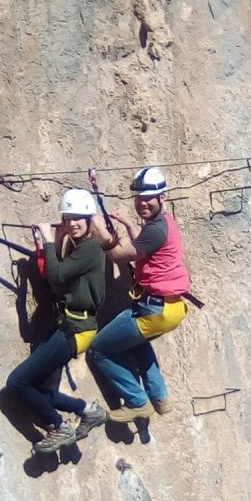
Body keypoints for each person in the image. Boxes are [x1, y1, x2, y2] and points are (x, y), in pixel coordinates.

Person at [3, 188, 109, 453]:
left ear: (88, 219)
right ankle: (88, 411)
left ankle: (59, 426)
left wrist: (49, 240)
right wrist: (56, 240)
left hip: (75, 328)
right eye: (67, 217)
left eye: (77, 218)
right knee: (39, 389)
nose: (72, 222)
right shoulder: (81, 248)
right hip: (71, 325)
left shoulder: (91, 249)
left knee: (17, 382)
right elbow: (60, 274)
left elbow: (57, 276)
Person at [90, 167, 191, 422]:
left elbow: (118, 256)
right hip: (170, 308)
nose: (142, 203)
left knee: (100, 349)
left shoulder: (155, 230)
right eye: (138, 198)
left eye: (148, 198)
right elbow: (145, 251)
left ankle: (137, 402)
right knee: (136, 341)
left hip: (155, 309)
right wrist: (128, 229)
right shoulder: (164, 224)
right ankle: (160, 397)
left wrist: (102, 235)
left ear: (162, 197)